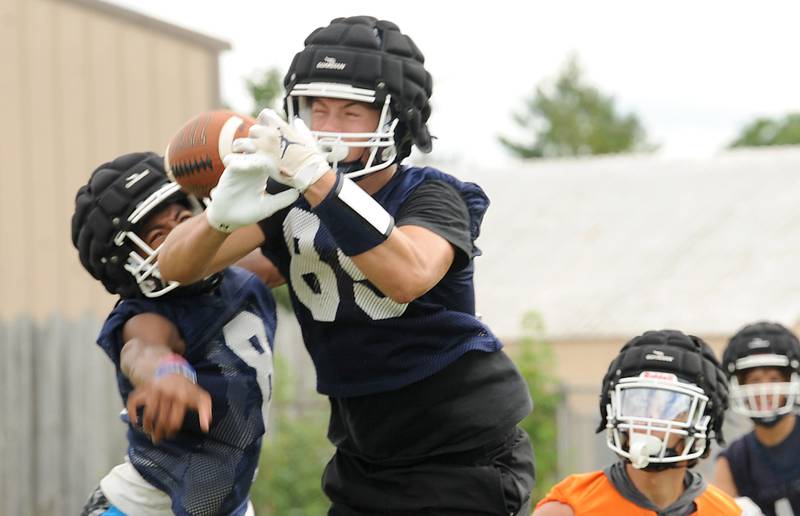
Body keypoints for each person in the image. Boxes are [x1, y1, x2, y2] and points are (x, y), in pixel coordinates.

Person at [158, 16, 536, 515]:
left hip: (461, 452)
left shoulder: (431, 195)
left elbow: (409, 276)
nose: (327, 128)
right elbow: (175, 267)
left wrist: (319, 181)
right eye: (318, 109)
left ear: (395, 120)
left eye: (351, 114)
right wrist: (219, 218)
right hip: (365, 454)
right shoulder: (290, 197)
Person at [72, 152, 278, 516]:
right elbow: (142, 348)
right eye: (159, 234)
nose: (181, 234)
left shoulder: (242, 275)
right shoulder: (147, 314)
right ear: (130, 267)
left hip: (226, 506)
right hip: (142, 509)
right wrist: (167, 371)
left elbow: (299, 248)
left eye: (183, 218)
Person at [534, 329, 741, 515]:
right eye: (638, 401)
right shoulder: (568, 509)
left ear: (704, 420)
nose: (650, 416)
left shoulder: (725, 512)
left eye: (671, 407)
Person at [714, 321, 800, 516]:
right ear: (738, 386)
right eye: (755, 380)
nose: (764, 390)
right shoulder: (733, 460)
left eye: (774, 379)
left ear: (790, 381)